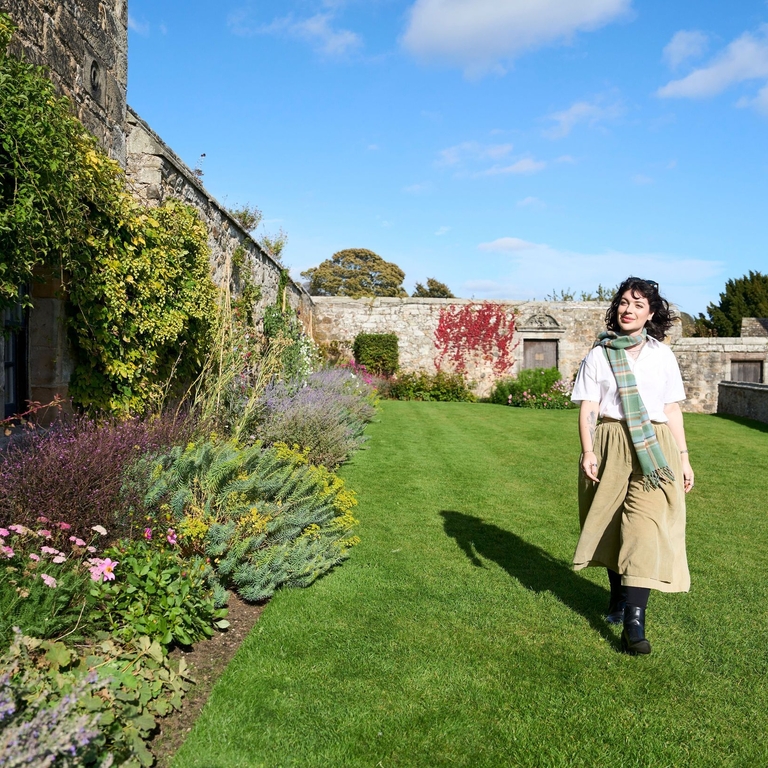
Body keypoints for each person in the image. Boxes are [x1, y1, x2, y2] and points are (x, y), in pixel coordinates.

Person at [570, 277, 694, 655]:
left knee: (643, 526)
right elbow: (589, 405)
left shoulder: (662, 355)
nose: (629, 309)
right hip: (609, 443)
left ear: (651, 313)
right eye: (624, 302)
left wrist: (685, 457)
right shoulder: (599, 354)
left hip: (655, 449)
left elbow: (671, 408)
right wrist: (588, 451)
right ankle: (617, 598)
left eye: (638, 304)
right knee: (610, 524)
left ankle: (633, 623)